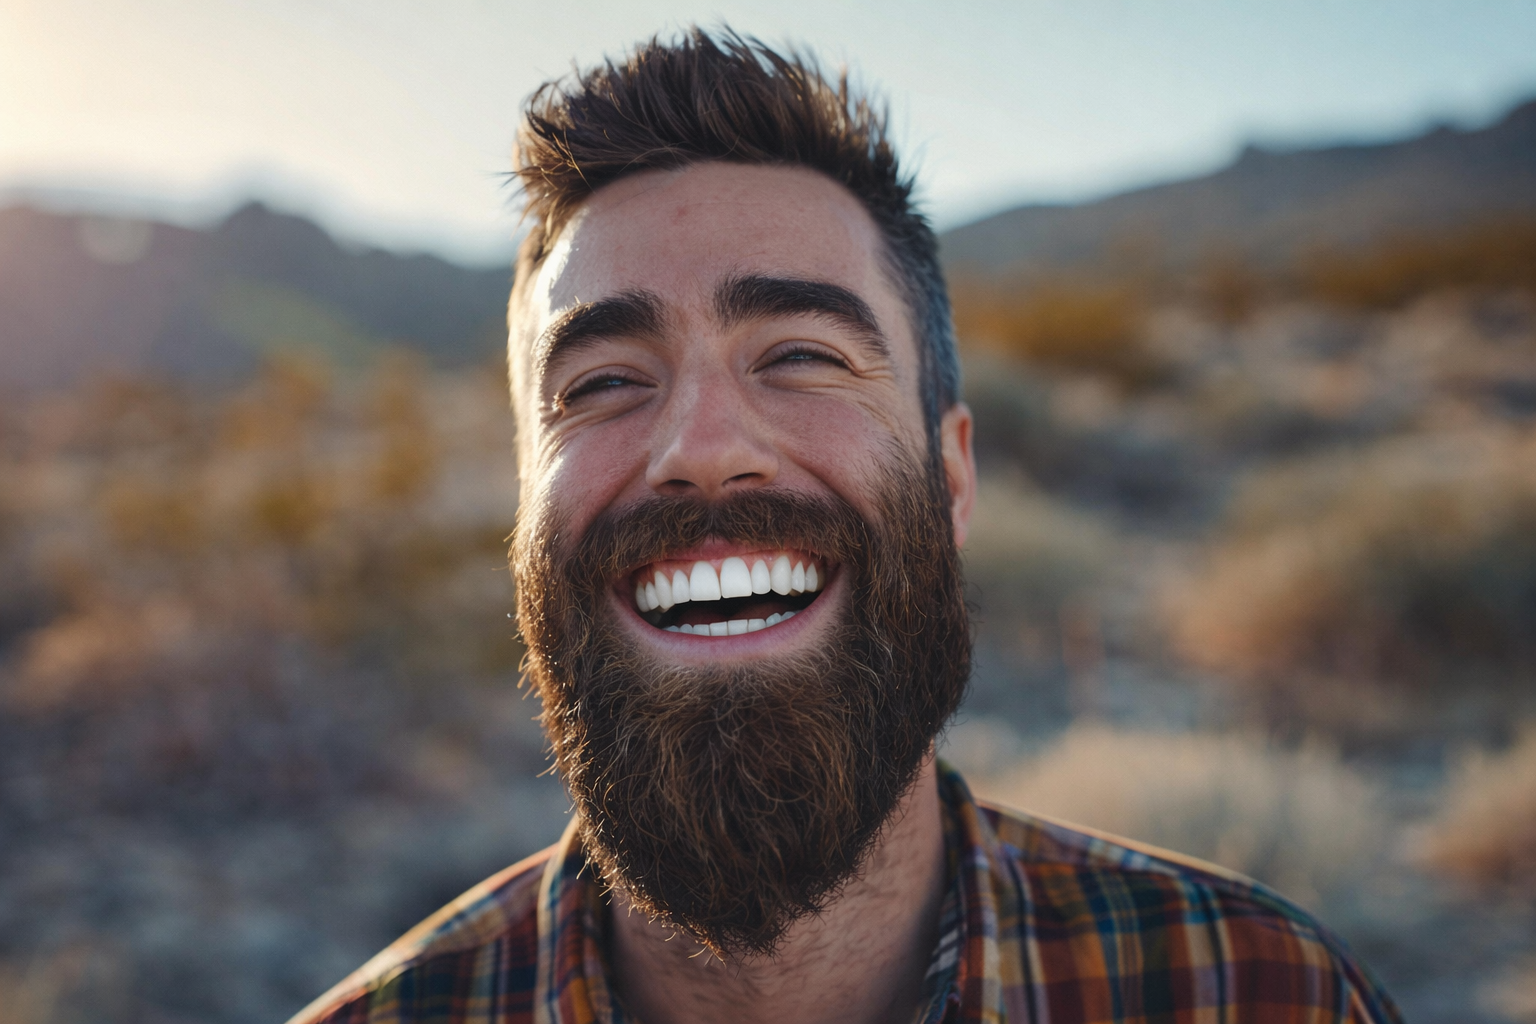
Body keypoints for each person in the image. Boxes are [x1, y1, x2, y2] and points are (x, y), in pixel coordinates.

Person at [288, 28, 1400, 1024]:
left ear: (953, 475)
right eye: (603, 383)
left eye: (802, 356)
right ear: (526, 502)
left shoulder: (1258, 992)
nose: (702, 446)